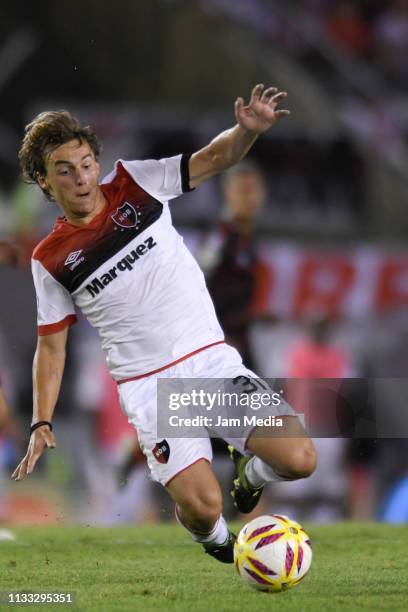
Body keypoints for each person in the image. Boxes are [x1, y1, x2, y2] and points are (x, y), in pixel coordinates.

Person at [12, 85, 316, 563]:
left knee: (301, 459)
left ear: (98, 160)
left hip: (210, 361)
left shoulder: (137, 181)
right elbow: (51, 346)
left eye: (87, 162)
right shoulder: (49, 259)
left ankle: (250, 476)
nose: (81, 177)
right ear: (44, 183)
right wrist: (41, 419)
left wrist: (247, 131)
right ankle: (216, 543)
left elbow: (215, 158)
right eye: (64, 171)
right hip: (151, 387)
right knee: (202, 508)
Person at [200, 160, 273, 371]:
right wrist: (219, 336)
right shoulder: (220, 237)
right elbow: (199, 286)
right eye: (242, 190)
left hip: (241, 338)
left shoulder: (248, 236)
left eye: (254, 189)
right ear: (228, 194)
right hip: (221, 344)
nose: (249, 197)